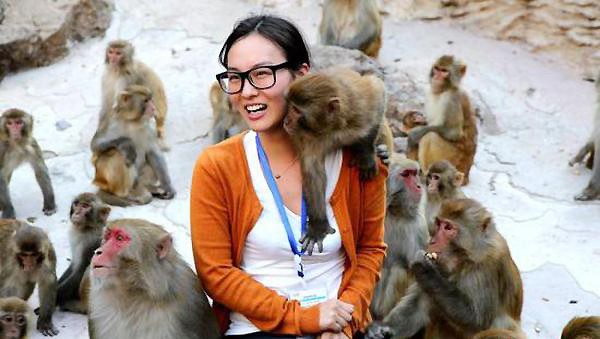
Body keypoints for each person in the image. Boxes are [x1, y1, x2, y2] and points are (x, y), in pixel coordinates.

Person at [190, 14, 387, 339]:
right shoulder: (217, 165)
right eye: (235, 78)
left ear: (302, 75)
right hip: (258, 328)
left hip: (340, 324)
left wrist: (342, 326)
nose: (247, 91)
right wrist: (306, 319)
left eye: (262, 74)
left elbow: (370, 251)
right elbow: (216, 274)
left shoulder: (359, 161)